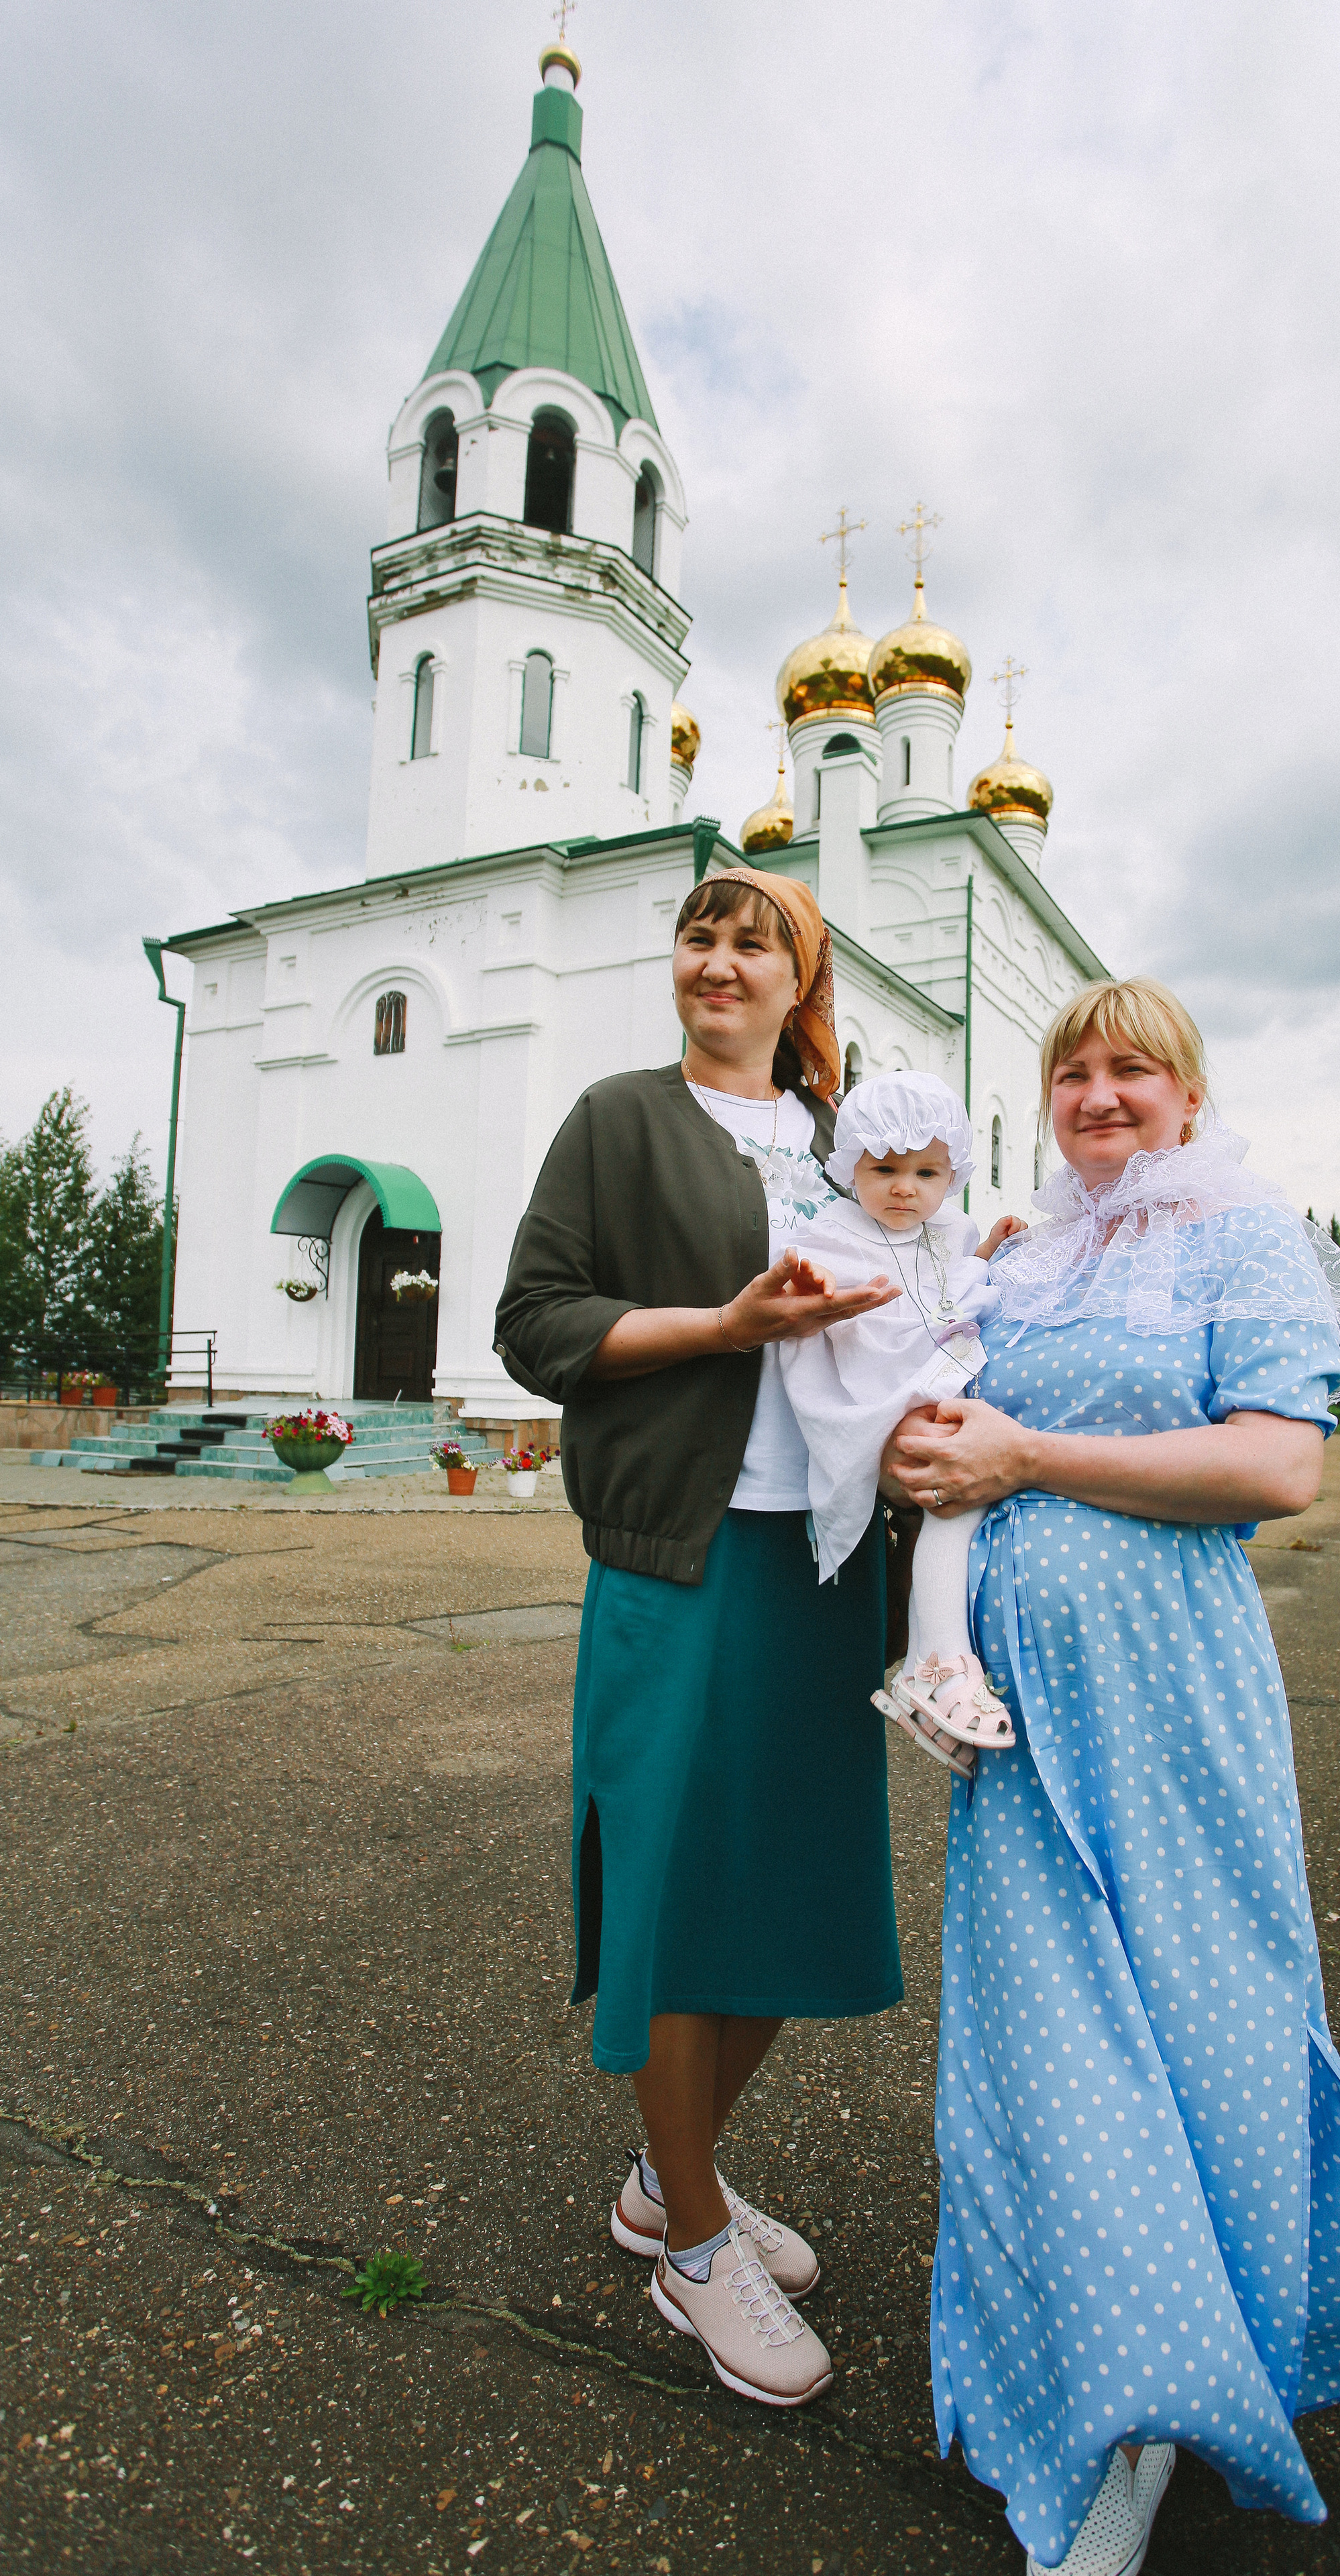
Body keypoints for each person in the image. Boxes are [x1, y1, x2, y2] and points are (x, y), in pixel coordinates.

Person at [885, 976, 1340, 2575]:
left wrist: (1024, 1458)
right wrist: (923, 1493)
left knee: (1203, 2008)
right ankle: (1119, 2402)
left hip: (1174, 1701)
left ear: (1188, 1098)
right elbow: (935, 1422)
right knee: (1045, 2040)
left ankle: (1212, 2348)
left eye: (1134, 1068)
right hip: (1020, 1721)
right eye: (1072, 1071)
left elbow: (1275, 1463)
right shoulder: (1021, 1251)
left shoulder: (1238, 1232)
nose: (1100, 1094)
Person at [493, 865, 904, 2412]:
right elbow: (536, 1324)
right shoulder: (620, 1117)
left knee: (781, 1893)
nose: (718, 960)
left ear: (803, 986)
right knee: (673, 1889)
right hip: (678, 1548)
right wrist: (721, 1329)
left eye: (754, 943)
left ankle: (673, 2182)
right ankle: (690, 2239)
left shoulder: (849, 1141)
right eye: (699, 936)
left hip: (825, 1561)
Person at [777, 1067, 1022, 1771]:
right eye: (882, 1169)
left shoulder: (949, 1229)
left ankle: (937, 1659)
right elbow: (849, 1312)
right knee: (952, 1490)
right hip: (874, 1396)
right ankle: (937, 1664)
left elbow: (940, 1295)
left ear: (955, 1173)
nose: (904, 1188)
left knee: (963, 1499)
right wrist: (816, 1290)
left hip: (930, 1388)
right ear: (848, 1163)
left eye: (927, 1172)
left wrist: (983, 1258)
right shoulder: (833, 1233)